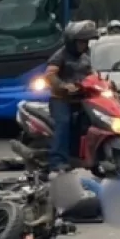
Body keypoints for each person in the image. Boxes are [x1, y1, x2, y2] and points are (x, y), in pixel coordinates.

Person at [44, 20, 99, 173]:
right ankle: (57, 161)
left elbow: (91, 73)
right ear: (71, 41)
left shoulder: (86, 55)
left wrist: (101, 82)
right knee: (64, 122)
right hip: (61, 100)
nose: (84, 45)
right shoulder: (60, 55)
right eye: (81, 42)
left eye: (86, 42)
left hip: (82, 99)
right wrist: (63, 86)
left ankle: (80, 157)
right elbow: (49, 75)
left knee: (90, 123)